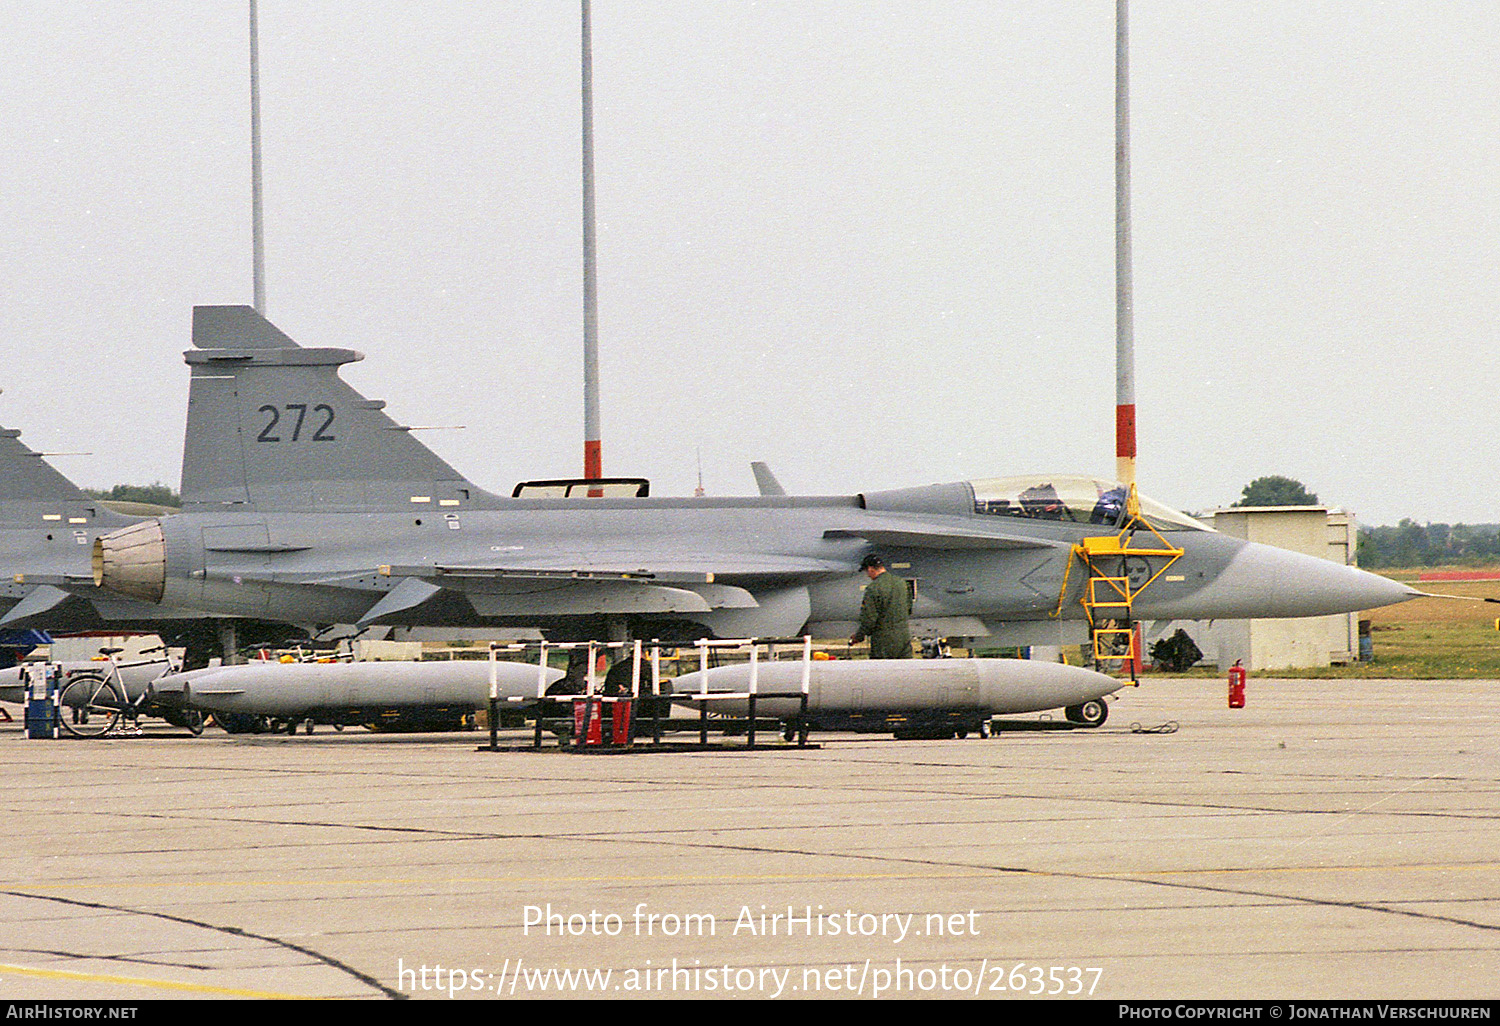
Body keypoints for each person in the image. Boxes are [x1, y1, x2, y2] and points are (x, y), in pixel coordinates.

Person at [849, 553, 913, 659]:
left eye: (866, 572)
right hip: (904, 638)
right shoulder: (902, 583)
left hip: (883, 641)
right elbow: (908, 608)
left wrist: (859, 636)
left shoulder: (873, 588)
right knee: (905, 671)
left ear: (870, 569)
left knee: (882, 672)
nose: (868, 575)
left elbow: (869, 618)